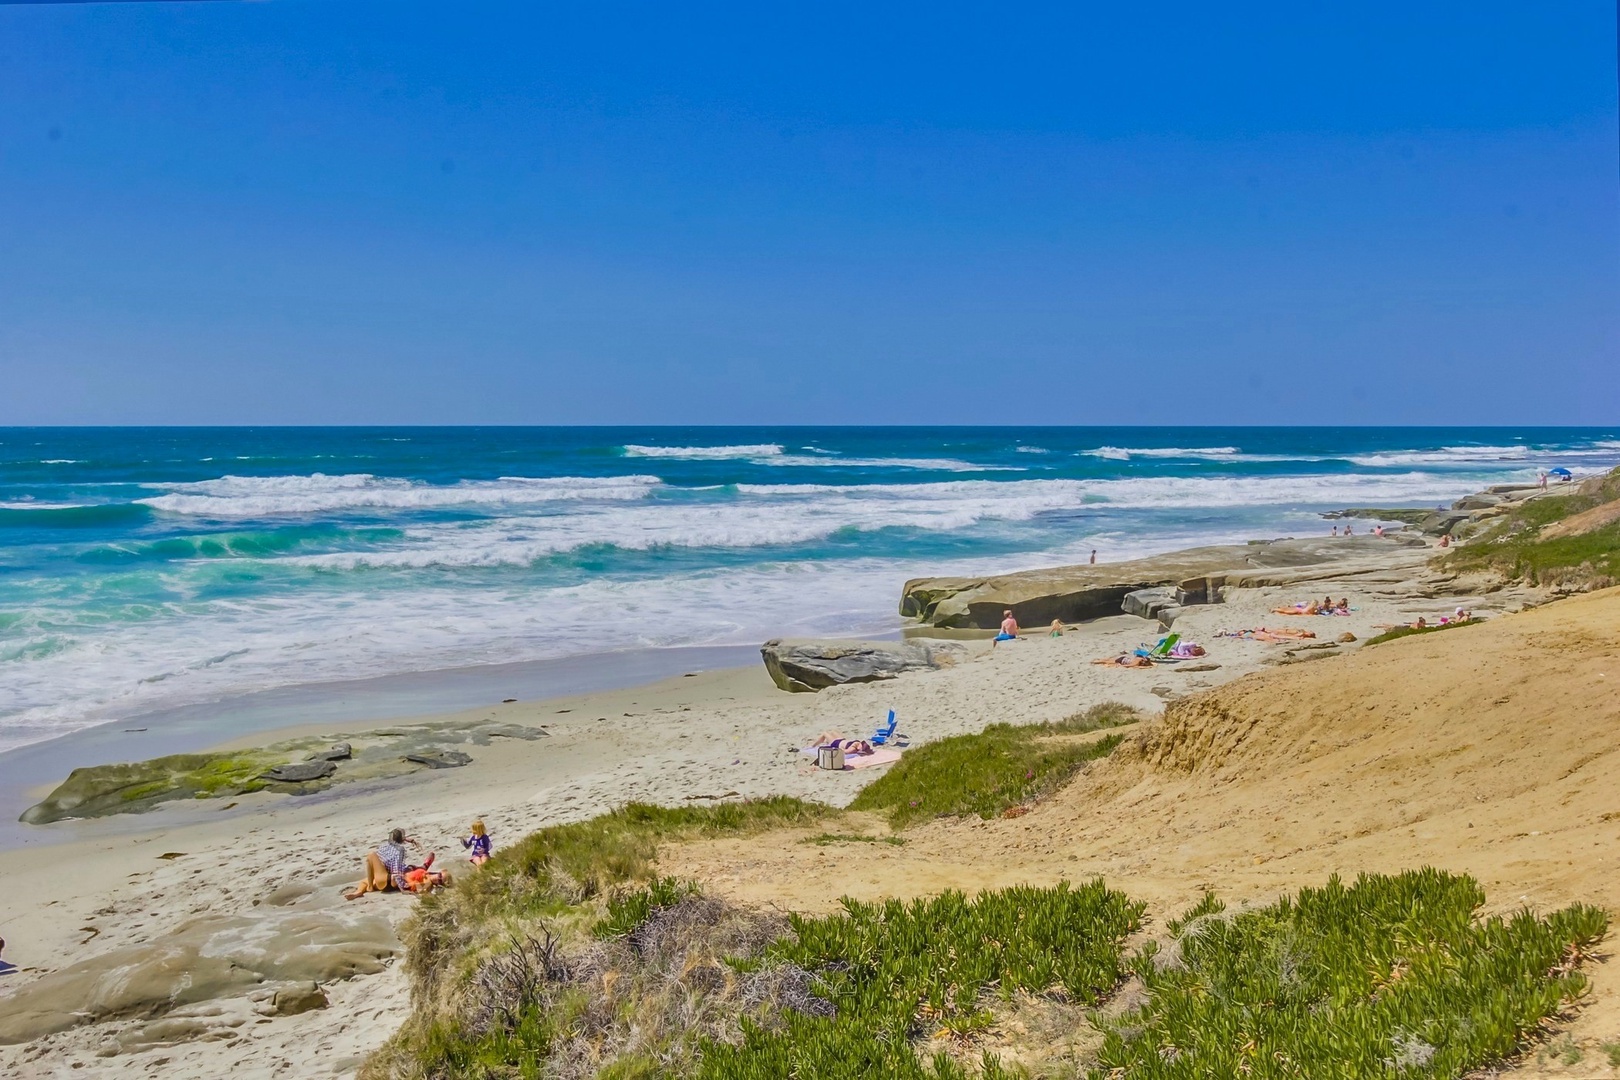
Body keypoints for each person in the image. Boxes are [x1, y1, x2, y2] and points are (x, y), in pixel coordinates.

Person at [346, 828, 418, 899]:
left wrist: (402, 889)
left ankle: (370, 887)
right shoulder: (399, 849)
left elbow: (396, 869)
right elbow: (397, 867)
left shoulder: (384, 846)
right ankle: (358, 892)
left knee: (372, 855)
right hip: (385, 880)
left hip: (387, 879)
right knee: (363, 882)